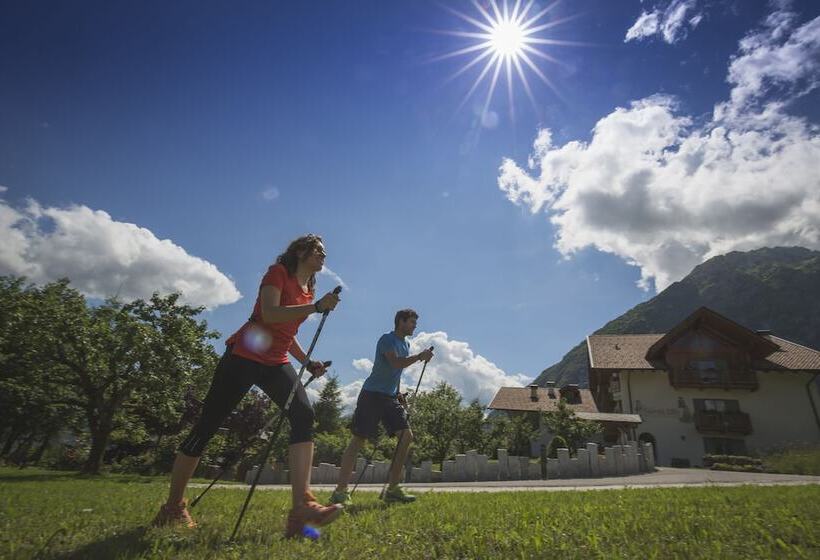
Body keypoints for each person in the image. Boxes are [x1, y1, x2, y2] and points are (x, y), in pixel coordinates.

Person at [152, 234, 344, 538]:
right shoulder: (278, 273)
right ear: (300, 252)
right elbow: (269, 313)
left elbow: (286, 330)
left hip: (275, 361)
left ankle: (301, 508)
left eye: (324, 251)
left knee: (303, 415)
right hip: (244, 355)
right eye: (317, 250)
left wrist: (306, 361)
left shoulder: (309, 292)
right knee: (207, 426)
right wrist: (317, 308)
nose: (324, 254)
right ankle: (173, 506)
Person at [329, 309, 434, 506]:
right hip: (372, 395)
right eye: (411, 322)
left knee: (406, 436)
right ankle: (340, 492)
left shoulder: (406, 343)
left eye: (414, 322)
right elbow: (395, 364)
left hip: (390, 397)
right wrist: (420, 356)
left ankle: (393, 489)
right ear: (401, 322)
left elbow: (397, 374)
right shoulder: (387, 339)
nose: (414, 326)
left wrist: (398, 393)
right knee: (359, 440)